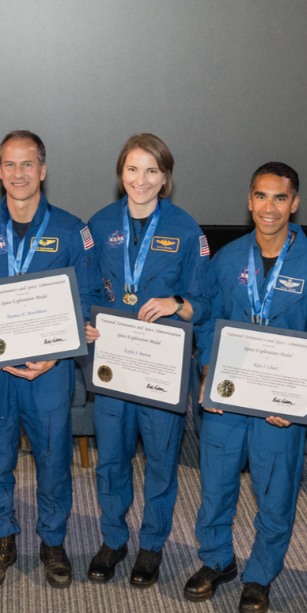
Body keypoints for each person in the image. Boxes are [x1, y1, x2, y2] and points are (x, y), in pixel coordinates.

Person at [187, 162, 307, 613]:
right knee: (215, 487)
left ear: (294, 203)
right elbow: (209, 322)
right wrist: (207, 370)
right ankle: (217, 561)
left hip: (279, 405)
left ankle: (260, 575)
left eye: (280, 198)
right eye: (260, 196)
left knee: (275, 493)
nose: (268, 207)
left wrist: (297, 401)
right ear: (249, 200)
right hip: (228, 398)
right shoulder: (229, 259)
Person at [0, 130, 102, 591]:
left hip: (49, 373)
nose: (18, 174)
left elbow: (88, 300)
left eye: (28, 164)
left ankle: (53, 541)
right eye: (9, 164)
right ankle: (2, 538)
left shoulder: (72, 230)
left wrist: (56, 354)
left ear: (42, 169)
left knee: (53, 459)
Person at [82, 134, 210, 587]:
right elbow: (87, 291)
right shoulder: (96, 226)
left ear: (165, 178)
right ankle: (114, 539)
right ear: (121, 174)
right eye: (133, 169)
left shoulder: (188, 229)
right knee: (111, 460)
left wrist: (177, 301)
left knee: (160, 461)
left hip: (160, 370)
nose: (142, 180)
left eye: (152, 171)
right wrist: (86, 322)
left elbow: (203, 301)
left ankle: (152, 545)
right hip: (114, 364)